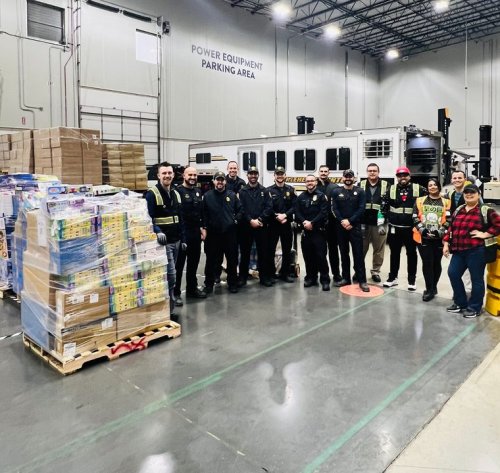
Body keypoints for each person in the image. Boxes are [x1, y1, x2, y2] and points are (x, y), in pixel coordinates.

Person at [443, 184, 500, 318]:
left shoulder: (486, 210)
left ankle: (475, 307)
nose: (469, 195)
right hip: (458, 250)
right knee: (453, 273)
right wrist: (446, 243)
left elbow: (498, 224)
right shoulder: (459, 210)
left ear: (478, 195)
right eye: (466, 193)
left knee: (476, 280)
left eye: (472, 193)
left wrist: (485, 234)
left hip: (476, 251)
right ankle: (460, 302)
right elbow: (451, 228)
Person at [145, 162, 185, 321]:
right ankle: (165, 308)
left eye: (170, 173)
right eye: (164, 173)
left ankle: (168, 309)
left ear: (173, 175)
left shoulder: (176, 193)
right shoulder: (152, 194)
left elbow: (180, 218)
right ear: (158, 175)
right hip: (163, 242)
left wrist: (184, 238)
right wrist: (157, 231)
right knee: (171, 276)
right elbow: (148, 218)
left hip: (176, 240)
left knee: (171, 275)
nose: (167, 175)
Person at [383, 167, 426, 291]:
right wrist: (383, 223)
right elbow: (383, 207)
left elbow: (426, 206)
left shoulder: (420, 189)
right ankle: (393, 278)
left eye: (405, 175)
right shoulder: (390, 189)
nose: (402, 177)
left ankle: (411, 280)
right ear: (397, 177)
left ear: (409, 176)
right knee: (394, 254)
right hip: (394, 228)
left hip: (411, 229)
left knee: (411, 254)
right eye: (400, 175)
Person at [202, 171, 242, 294]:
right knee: (211, 260)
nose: (220, 182)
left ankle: (232, 283)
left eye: (222, 179)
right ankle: (208, 284)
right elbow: (203, 214)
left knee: (232, 260)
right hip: (213, 234)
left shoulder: (232, 195)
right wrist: (204, 227)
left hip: (229, 234)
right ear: (214, 181)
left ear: (225, 181)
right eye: (217, 179)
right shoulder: (207, 196)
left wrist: (235, 221)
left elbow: (240, 210)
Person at [331, 169, 370, 292]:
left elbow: (361, 208)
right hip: (341, 227)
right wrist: (343, 221)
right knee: (344, 254)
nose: (348, 178)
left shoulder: (360, 191)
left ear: (354, 178)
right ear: (342, 178)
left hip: (355, 227)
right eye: (346, 176)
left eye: (350, 176)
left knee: (358, 254)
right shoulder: (336, 191)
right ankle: (346, 278)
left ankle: (362, 280)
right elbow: (334, 209)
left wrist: (351, 221)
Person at [412, 178, 451, 302]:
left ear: (439, 187)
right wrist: (422, 229)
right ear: (427, 188)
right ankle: (429, 289)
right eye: (430, 185)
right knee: (427, 263)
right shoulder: (420, 200)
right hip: (423, 237)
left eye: (435, 185)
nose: (432, 187)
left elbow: (450, 219)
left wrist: (441, 231)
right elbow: (414, 216)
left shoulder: (446, 202)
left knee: (436, 263)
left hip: (439, 238)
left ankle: (434, 287)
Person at [173, 166, 207, 306]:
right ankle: (176, 293)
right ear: (184, 176)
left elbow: (202, 212)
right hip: (183, 233)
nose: (193, 177)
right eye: (190, 175)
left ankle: (192, 288)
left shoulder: (198, 192)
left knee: (193, 263)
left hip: (195, 233)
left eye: (194, 175)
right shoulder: (177, 192)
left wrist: (203, 227)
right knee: (179, 265)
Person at [238, 166, 274, 287]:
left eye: (255, 174)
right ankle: (242, 277)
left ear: (258, 175)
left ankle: (264, 277)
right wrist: (250, 220)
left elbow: (269, 207)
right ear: (247, 175)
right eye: (251, 174)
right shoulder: (242, 192)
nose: (253, 176)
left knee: (263, 253)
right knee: (245, 253)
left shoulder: (264, 191)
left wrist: (259, 219)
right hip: (246, 228)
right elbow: (241, 209)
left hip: (261, 227)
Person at [295, 174, 330, 291]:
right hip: (306, 232)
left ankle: (325, 280)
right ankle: (311, 278)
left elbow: (323, 212)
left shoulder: (321, 197)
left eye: (312, 181)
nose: (309, 183)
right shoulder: (301, 197)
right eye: (307, 181)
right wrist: (304, 222)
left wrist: (312, 223)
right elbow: (297, 211)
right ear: (305, 183)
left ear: (316, 182)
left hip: (318, 232)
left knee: (321, 256)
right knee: (308, 257)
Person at [359, 163, 389, 283]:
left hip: (380, 223)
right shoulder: (360, 185)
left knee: (379, 249)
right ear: (367, 172)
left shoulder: (386, 185)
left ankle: (375, 272)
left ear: (378, 172)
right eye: (370, 171)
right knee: (361, 249)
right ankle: (359, 271)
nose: (372, 173)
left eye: (374, 171)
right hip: (363, 222)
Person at [267, 167, 297, 283]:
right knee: (270, 250)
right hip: (273, 225)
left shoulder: (291, 189)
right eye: (277, 174)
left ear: (285, 175)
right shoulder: (268, 190)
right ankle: (271, 273)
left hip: (286, 224)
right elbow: (267, 207)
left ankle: (285, 273)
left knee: (286, 249)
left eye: (282, 174)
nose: (280, 176)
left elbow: (295, 206)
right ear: (274, 176)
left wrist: (284, 215)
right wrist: (276, 216)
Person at [317, 165, 342, 283]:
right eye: (321, 171)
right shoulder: (314, 186)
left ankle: (336, 274)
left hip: (332, 225)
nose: (323, 173)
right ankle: (322, 275)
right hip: (318, 225)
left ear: (329, 173)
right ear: (318, 172)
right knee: (320, 252)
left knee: (333, 251)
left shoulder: (335, 187)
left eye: (325, 171)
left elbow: (338, 206)